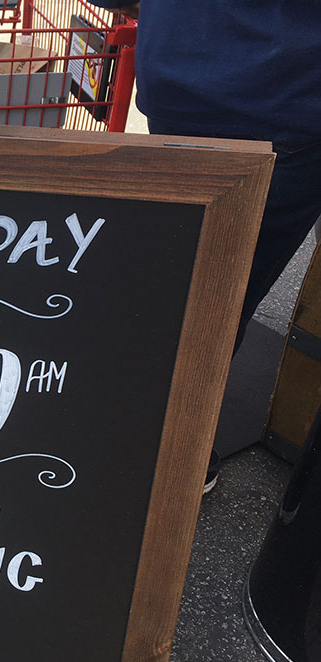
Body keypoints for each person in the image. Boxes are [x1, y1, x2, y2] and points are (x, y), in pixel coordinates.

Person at [90, 0, 321, 491]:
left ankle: (144, 436)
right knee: (218, 296)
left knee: (184, 274)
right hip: (281, 93)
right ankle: (168, 450)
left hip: (183, 71)